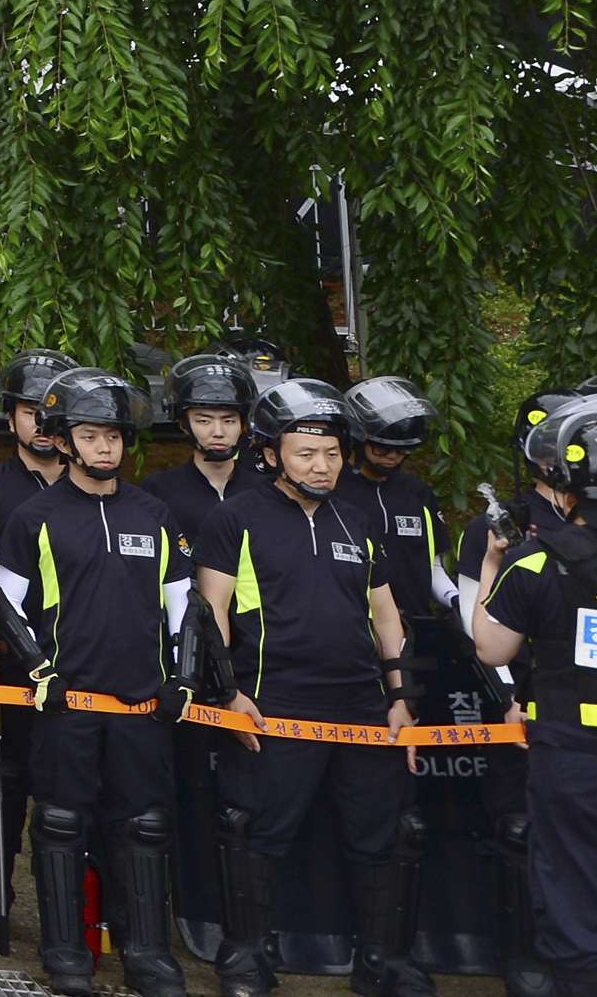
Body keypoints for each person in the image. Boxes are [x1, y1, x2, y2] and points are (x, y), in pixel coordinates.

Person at [196, 379, 426, 997]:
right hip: (275, 700)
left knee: (384, 833)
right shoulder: (236, 517)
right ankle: (245, 956)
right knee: (256, 829)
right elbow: (210, 610)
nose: (321, 465)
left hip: (360, 705)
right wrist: (227, 692)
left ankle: (384, 961)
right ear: (270, 453)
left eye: (330, 453)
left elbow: (386, 617)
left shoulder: (356, 521)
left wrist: (401, 698)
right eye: (305, 453)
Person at [0, 366, 190, 997]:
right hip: (67, 705)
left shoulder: (155, 513)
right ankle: (65, 953)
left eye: (113, 435)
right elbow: (4, 602)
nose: (104, 447)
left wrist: (180, 678)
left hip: (141, 710)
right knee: (59, 825)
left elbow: (186, 605)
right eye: (89, 434)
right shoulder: (34, 516)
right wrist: (38, 670)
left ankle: (148, 954)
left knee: (143, 828)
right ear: (61, 438)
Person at [471, 399, 597, 997]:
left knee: (574, 883)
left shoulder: (538, 561)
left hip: (572, 753)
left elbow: (493, 648)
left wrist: (493, 563)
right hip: (570, 750)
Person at [0, 348, 77, 944]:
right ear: (11, 419)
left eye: (52, 413)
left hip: (78, 659)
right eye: (29, 411)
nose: (41, 424)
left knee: (67, 790)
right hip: (3, 656)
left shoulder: (100, 490)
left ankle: (68, 910)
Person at [341, 377, 456, 621]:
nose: (392, 456)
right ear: (357, 441)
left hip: (417, 629)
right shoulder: (334, 493)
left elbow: (431, 567)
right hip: (356, 628)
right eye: (382, 448)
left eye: (402, 450)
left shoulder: (417, 494)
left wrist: (455, 598)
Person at [149, 353, 265, 549]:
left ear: (243, 425)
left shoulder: (265, 490)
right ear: (183, 425)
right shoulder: (159, 490)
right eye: (204, 421)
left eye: (229, 421)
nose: (218, 432)